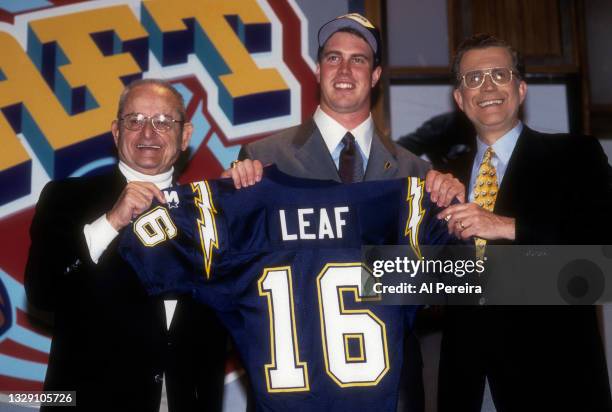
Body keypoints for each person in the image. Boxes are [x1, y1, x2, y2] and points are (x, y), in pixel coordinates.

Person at [223, 13, 465, 412]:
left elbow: (447, 292)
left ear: (375, 75)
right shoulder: (262, 160)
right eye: (333, 58)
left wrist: (455, 217)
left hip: (390, 388)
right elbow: (235, 270)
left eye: (358, 59)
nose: (345, 69)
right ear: (318, 71)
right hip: (292, 386)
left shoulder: (418, 176)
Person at [25, 79, 227, 412]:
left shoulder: (212, 212)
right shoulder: (67, 198)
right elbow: (42, 292)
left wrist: (253, 190)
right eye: (135, 121)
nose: (148, 133)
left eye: (163, 121)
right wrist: (110, 222)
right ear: (117, 132)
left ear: (186, 135)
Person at [437, 34, 612, 412]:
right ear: (459, 98)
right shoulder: (441, 178)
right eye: (473, 78)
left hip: (556, 382)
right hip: (468, 383)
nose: (487, 86)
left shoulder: (575, 156)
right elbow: (429, 282)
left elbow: (602, 255)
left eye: (499, 74)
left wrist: (506, 226)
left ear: (521, 88)